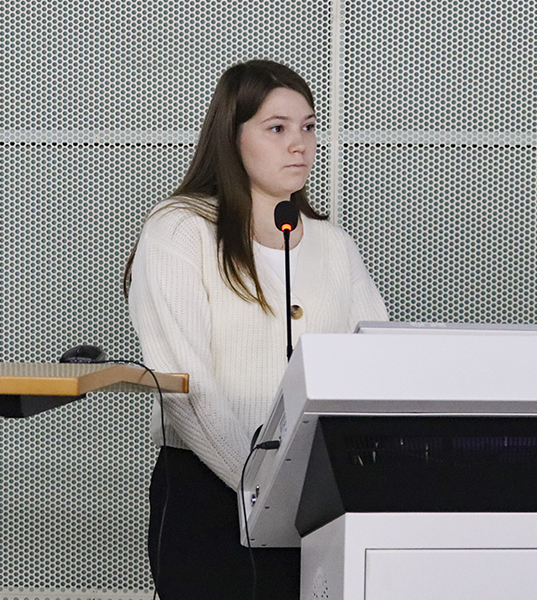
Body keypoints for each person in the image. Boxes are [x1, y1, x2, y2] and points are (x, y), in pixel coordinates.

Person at [124, 59, 388, 600]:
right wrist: (265, 487)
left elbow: (377, 367)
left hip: (321, 501)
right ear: (232, 137)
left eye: (308, 127)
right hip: (209, 495)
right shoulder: (180, 230)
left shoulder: (332, 244)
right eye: (277, 128)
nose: (300, 144)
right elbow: (185, 387)